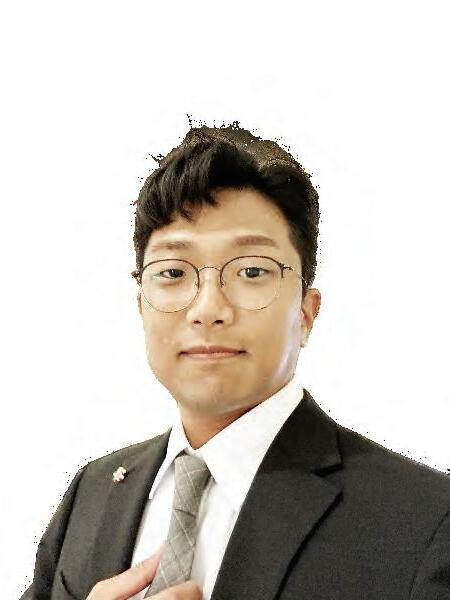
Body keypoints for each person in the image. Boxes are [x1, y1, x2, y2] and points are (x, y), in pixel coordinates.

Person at [21, 124, 450, 600]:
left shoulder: (426, 522)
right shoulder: (92, 493)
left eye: (251, 270)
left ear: (306, 313)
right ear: (141, 306)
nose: (208, 309)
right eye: (172, 272)